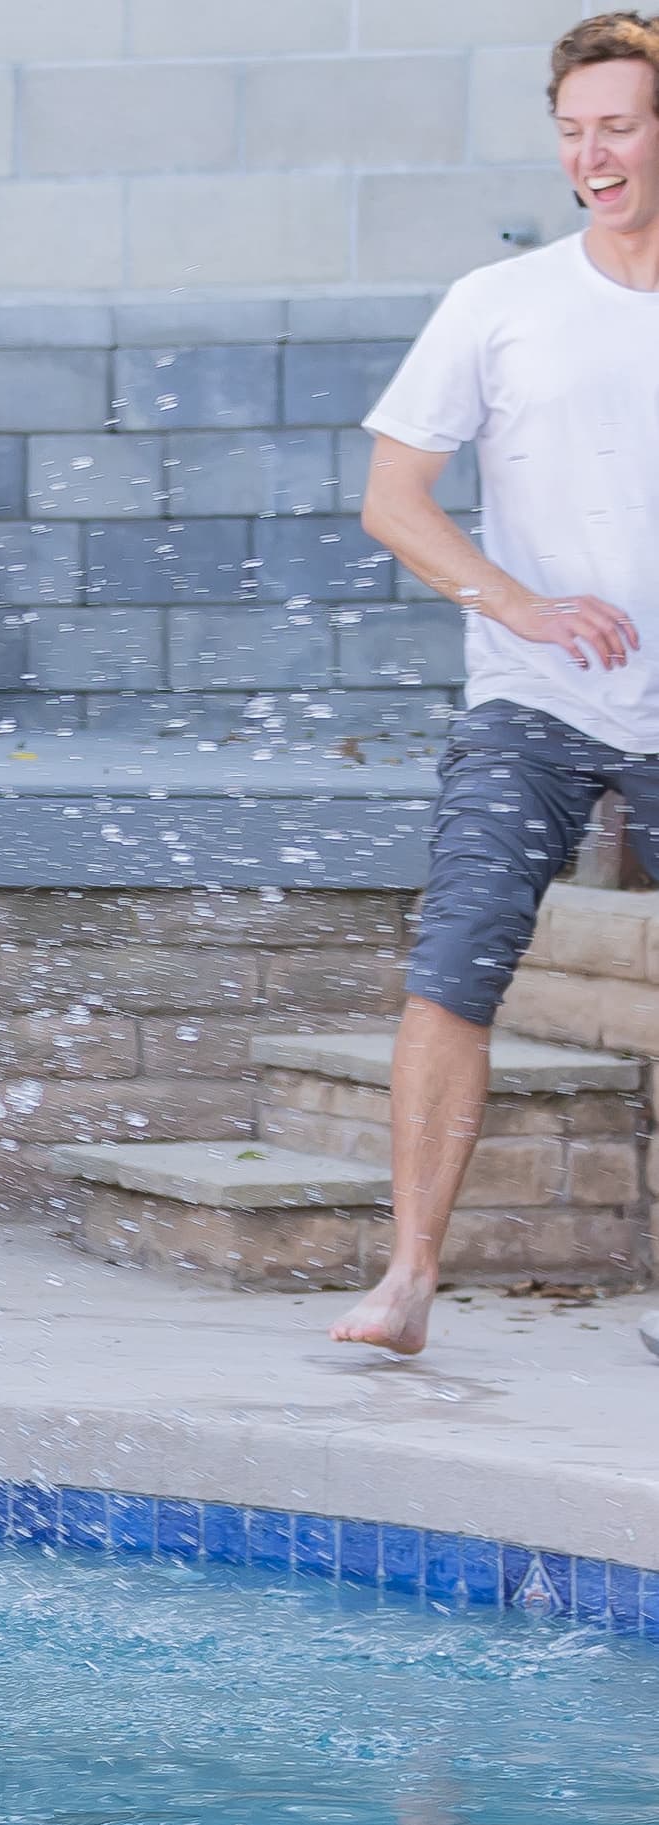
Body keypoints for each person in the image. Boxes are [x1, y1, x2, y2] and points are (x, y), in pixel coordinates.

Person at [331, 13, 659, 1356]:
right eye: (574, 130)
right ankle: (409, 1278)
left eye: (619, 126)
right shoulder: (498, 303)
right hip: (527, 696)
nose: (593, 153)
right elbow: (391, 499)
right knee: (453, 968)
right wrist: (519, 603)